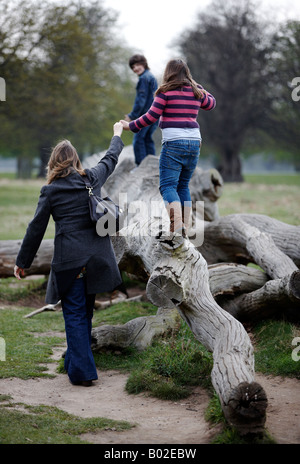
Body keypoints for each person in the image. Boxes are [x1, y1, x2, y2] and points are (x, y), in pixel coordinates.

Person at [14, 122, 124, 387]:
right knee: (84, 312)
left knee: (74, 313)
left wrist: (22, 262)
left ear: (53, 163)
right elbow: (110, 158)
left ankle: (83, 373)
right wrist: (117, 134)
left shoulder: (50, 191)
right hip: (97, 259)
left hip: (70, 262)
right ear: (75, 160)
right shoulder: (92, 178)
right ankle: (75, 363)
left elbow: (35, 228)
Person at [120, 59, 216, 237]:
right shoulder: (196, 92)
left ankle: (176, 225)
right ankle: (184, 228)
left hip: (173, 143)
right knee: (183, 186)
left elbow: (151, 117)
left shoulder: (165, 92)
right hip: (194, 143)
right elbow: (211, 103)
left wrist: (130, 126)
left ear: (168, 73)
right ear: (187, 73)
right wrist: (198, 86)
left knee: (167, 186)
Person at [125, 54, 158, 165]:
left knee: (138, 140)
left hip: (146, 115)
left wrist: (132, 115)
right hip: (155, 115)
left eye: (138, 65)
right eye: (133, 67)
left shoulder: (144, 78)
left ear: (144, 64)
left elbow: (141, 100)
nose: (135, 68)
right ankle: (152, 165)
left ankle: (140, 166)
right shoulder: (152, 77)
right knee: (147, 139)